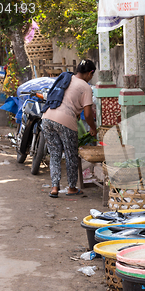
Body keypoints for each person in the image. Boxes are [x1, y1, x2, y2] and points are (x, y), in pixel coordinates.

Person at [42, 59, 97, 198]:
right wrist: (93, 128)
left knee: (54, 153)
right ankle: (71, 187)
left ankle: (54, 187)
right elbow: (88, 114)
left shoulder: (67, 78)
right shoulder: (86, 87)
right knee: (70, 154)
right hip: (65, 120)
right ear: (90, 73)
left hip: (47, 117)